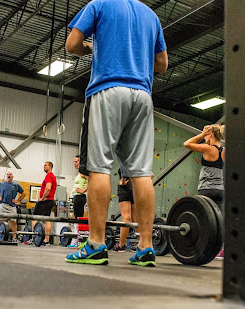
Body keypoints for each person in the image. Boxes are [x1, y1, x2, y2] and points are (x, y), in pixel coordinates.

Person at [64, 0, 168, 266]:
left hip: (108, 90)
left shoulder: (99, 5)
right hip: (143, 95)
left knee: (99, 167)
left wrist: (91, 47)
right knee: (141, 172)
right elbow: (162, 64)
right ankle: (145, 246)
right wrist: (137, 53)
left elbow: (72, 45)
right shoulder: (150, 15)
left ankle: (96, 244)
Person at [183, 124, 225, 213]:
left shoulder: (208, 149)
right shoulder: (224, 150)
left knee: (204, 219)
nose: (204, 139)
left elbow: (187, 144)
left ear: (210, 135)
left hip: (206, 190)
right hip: (220, 191)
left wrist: (202, 135)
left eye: (205, 136)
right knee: (219, 219)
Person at [31, 162, 57, 245]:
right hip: (50, 200)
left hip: (45, 200)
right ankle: (46, 240)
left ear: (50, 167)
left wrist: (42, 198)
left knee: (34, 218)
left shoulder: (48, 176)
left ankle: (34, 238)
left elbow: (48, 188)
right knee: (47, 220)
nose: (44, 167)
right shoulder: (53, 176)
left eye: (45, 165)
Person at [0, 171, 25, 242]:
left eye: (10, 174)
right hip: (3, 205)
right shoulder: (1, 184)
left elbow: (23, 193)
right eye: (7, 174)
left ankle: (14, 237)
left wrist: (18, 200)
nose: (9, 175)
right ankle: (1, 237)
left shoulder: (16, 185)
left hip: (12, 206)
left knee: (13, 222)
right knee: (2, 221)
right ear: (6, 176)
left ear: (13, 176)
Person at [113, 168, 136, 252]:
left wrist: (122, 182)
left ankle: (121, 245)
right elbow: (151, 175)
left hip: (125, 190)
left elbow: (124, 173)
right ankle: (141, 244)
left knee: (126, 218)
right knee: (135, 219)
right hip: (134, 190)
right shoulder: (137, 165)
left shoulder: (125, 161)